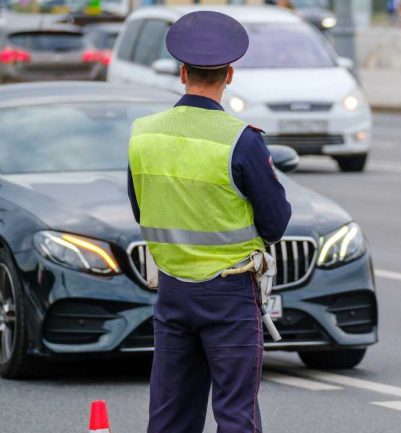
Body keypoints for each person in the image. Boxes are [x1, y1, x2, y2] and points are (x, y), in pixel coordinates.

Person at [127, 11, 292, 433]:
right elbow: (275, 222)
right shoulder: (241, 140)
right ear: (230, 75)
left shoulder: (143, 134)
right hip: (230, 293)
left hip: (172, 289)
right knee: (235, 413)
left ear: (182, 73)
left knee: (170, 414)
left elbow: (141, 209)